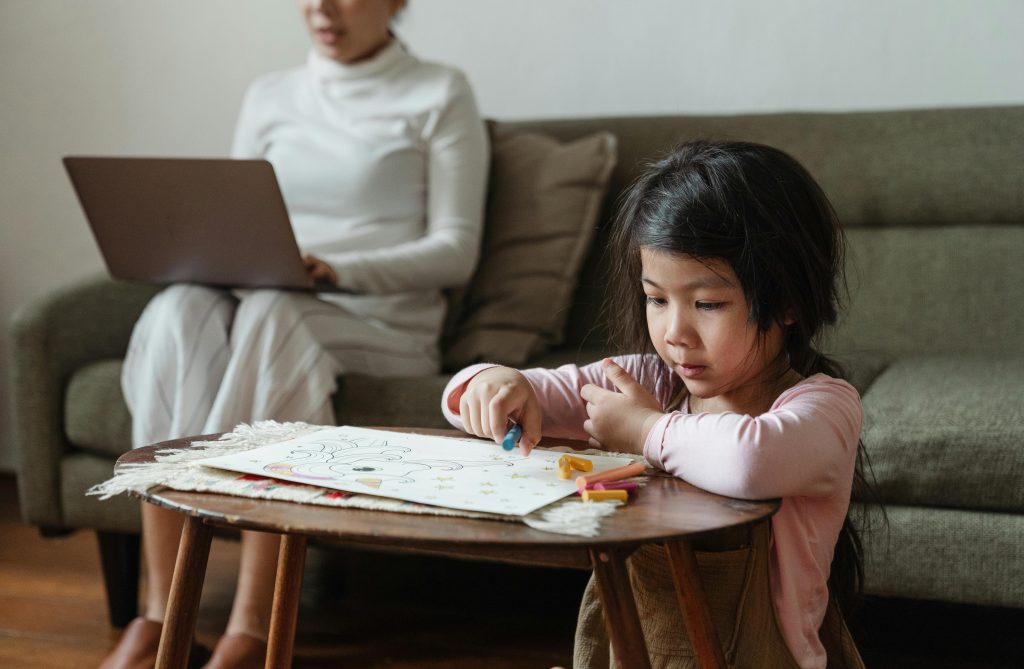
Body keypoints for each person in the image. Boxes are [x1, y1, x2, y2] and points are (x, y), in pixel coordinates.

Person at [100, 1, 488, 667]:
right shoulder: (270, 95)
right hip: (268, 294)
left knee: (276, 317)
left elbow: (456, 249)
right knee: (176, 309)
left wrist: (336, 270)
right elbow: (231, 213)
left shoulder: (439, 91)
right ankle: (162, 618)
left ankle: (250, 631)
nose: (320, 7)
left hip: (382, 316)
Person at [441, 140, 868, 669]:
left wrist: (643, 430)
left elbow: (749, 461)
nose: (674, 333)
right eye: (656, 299)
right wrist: (491, 381)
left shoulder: (823, 408)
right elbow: (482, 399)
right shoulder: (649, 381)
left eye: (708, 304)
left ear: (786, 302)